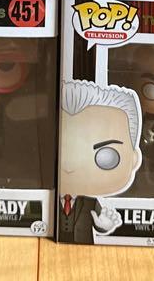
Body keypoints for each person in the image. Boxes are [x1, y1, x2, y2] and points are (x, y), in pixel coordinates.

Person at [58, 79, 143, 243]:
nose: (70, 165)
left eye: (106, 157)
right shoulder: (48, 195)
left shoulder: (92, 202)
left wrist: (104, 226)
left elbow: (100, 223)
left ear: (134, 159)